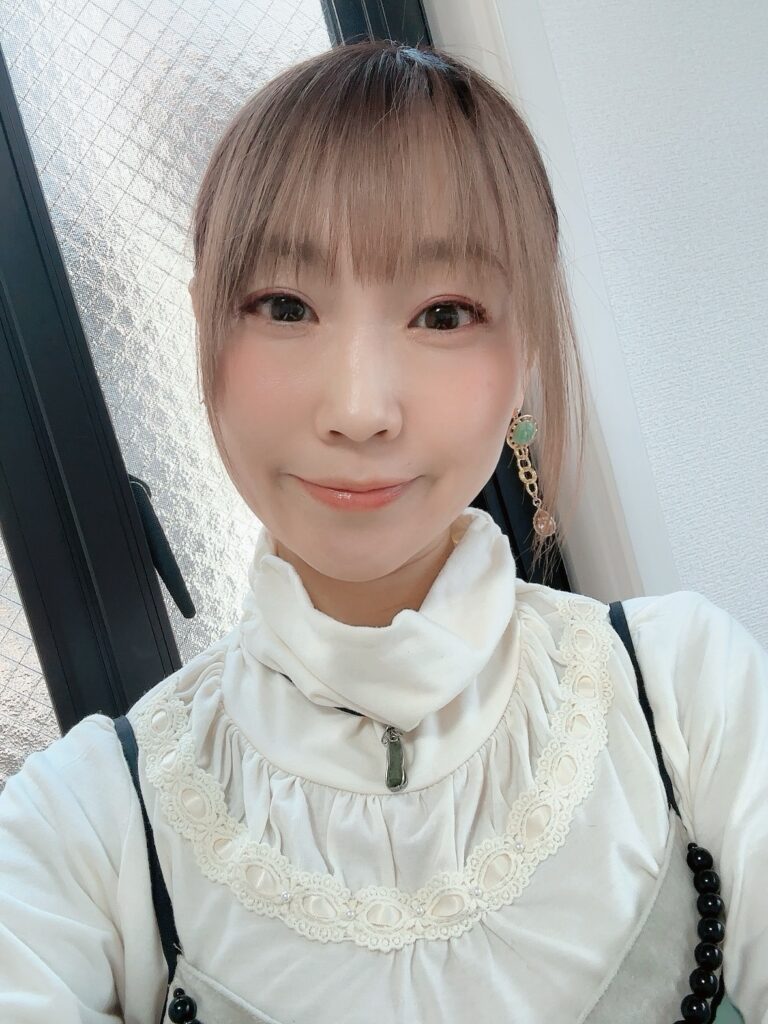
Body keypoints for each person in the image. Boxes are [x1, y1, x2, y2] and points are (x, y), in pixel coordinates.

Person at [0, 39, 764, 1024]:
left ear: (526, 350)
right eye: (285, 305)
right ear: (203, 331)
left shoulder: (685, 696)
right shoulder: (88, 826)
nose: (360, 410)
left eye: (444, 313)